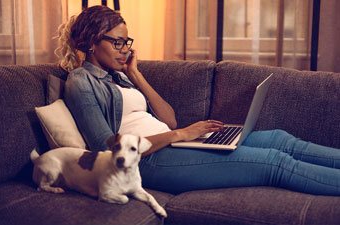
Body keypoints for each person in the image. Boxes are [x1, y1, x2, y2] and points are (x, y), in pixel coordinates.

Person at [56, 5, 340, 196]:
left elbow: (168, 119)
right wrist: (180, 135)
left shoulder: (120, 76)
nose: (124, 49)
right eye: (117, 41)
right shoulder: (81, 82)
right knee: (274, 162)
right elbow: (103, 149)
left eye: (126, 42)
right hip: (149, 162)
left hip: (173, 142)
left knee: (280, 140)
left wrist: (136, 74)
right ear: (91, 42)